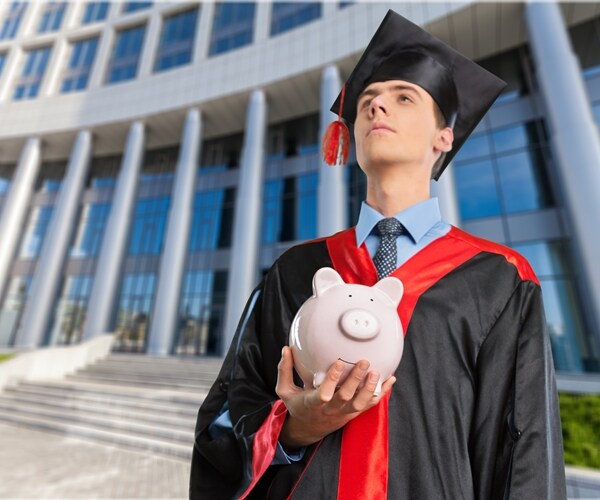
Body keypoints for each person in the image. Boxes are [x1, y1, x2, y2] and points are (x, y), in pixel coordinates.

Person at [190, 10, 567, 499]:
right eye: (366, 100)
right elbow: (228, 410)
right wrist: (295, 427)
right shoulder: (297, 270)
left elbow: (524, 447)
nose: (375, 108)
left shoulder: (500, 278)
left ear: (444, 137)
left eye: (403, 97)